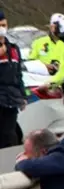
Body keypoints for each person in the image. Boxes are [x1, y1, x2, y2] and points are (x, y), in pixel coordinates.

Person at [0, 11, 27, 149]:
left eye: (4, 25)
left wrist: (22, 95)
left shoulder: (14, 49)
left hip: (10, 99)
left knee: (10, 135)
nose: (2, 28)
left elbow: (18, 75)